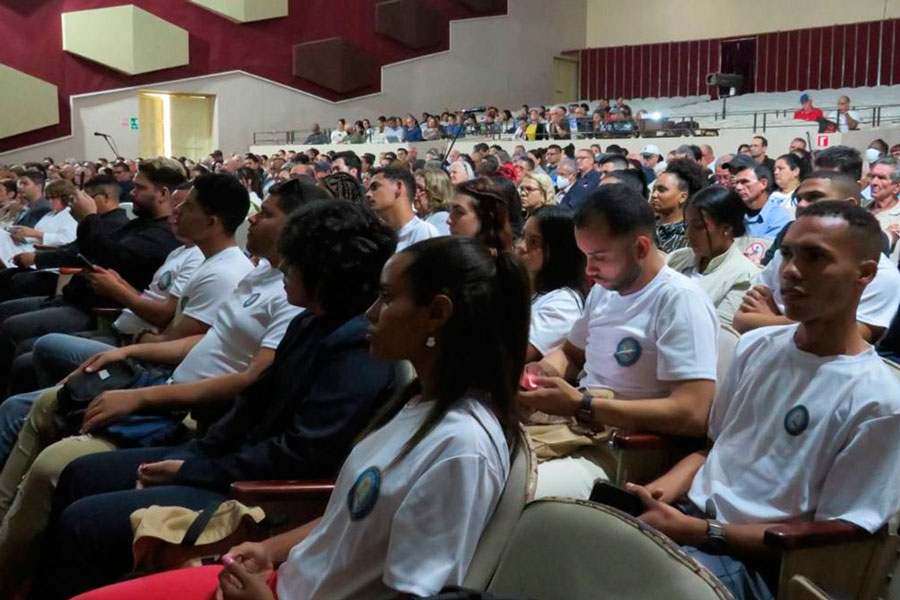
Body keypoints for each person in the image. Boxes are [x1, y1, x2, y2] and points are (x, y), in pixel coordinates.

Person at [42, 236, 528, 600]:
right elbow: (348, 519)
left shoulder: (461, 446)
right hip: (281, 579)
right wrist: (272, 551)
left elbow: (410, 592)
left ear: (436, 315)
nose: (373, 311)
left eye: (387, 297)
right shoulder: (417, 401)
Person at [628, 201, 900, 600]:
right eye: (787, 253)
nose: (790, 269)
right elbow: (713, 448)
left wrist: (704, 532)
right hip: (691, 520)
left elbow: (837, 537)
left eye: (815, 257)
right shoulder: (757, 345)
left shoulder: (880, 400)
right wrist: (660, 491)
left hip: (762, 562)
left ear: (864, 274)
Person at [518, 184, 718, 499]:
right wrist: (540, 373)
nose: (589, 270)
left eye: (598, 257)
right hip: (582, 428)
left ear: (640, 248)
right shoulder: (604, 291)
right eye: (584, 256)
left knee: (514, 490)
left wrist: (583, 405)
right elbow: (571, 354)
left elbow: (692, 414)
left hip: (630, 450)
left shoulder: (679, 301)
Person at [0, 158, 183, 392]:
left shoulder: (162, 234)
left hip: (99, 310)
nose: (132, 192)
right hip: (79, 297)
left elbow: (112, 257)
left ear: (163, 193)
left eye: (140, 187)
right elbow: (85, 251)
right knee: (7, 308)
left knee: (14, 330)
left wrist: (88, 218)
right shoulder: (141, 225)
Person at [735, 174, 900, 343]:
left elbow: (844, 338)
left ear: (849, 205)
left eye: (814, 197)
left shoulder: (883, 274)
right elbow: (741, 320)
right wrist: (793, 323)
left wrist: (770, 319)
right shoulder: (787, 254)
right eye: (799, 198)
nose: (801, 205)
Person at [667, 186, 761, 326]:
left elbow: (721, 331)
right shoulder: (676, 258)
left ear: (727, 228)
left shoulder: (745, 276)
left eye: (699, 227)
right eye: (687, 226)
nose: (688, 234)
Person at [516, 206, 585, 361]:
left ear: (558, 251)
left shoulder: (564, 304)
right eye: (522, 236)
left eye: (533, 242)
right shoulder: (522, 288)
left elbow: (515, 354)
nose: (521, 246)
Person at [0, 178, 78, 266]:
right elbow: (35, 237)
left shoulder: (70, 216)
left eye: (53, 198)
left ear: (64, 197)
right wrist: (22, 238)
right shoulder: (49, 214)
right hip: (29, 247)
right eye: (47, 198)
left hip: (43, 255)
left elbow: (67, 240)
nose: (49, 201)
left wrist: (36, 234)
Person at [366, 167, 440, 252]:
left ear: (398, 187)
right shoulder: (378, 235)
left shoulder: (423, 232)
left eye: (375, 187)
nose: (368, 194)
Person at [650, 158, 709, 253]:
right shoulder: (646, 227)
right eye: (654, 189)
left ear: (683, 197)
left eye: (662, 190)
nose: (654, 195)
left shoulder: (690, 236)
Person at [448, 177, 513, 254]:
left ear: (486, 219)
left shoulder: (496, 264)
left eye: (459, 212)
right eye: (451, 211)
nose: (448, 220)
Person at [732, 163, 790, 240]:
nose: (738, 187)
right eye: (736, 183)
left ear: (763, 184)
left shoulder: (778, 216)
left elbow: (767, 248)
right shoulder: (732, 213)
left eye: (745, 182)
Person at [867, 157, 900, 260]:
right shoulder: (859, 209)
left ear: (897, 187)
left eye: (881, 178)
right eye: (872, 176)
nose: (873, 182)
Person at [560, 148, 602, 212]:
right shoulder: (574, 177)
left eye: (582, 158)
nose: (578, 161)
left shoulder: (597, 177)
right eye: (576, 159)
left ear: (592, 160)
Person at [413, 167, 452, 236]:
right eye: (414, 187)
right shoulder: (419, 216)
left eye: (420, 188)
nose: (415, 192)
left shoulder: (442, 219)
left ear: (435, 192)